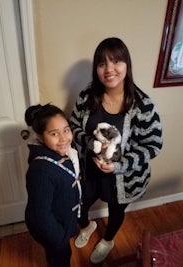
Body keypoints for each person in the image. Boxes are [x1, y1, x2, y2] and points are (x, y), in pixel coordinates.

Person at [70, 37, 163, 264]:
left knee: (116, 211)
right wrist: (90, 143)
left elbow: (153, 145)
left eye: (116, 61)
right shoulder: (87, 96)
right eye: (102, 63)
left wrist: (118, 165)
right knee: (79, 204)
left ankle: (108, 240)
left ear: (127, 65)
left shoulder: (143, 106)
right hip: (90, 171)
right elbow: (72, 126)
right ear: (96, 69)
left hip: (124, 177)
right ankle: (89, 225)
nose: (109, 69)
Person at [24, 103, 82, 267]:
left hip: (61, 220)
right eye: (54, 133)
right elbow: (40, 214)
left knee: (62, 255)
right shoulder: (41, 171)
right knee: (60, 258)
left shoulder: (66, 152)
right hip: (51, 230)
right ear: (41, 137)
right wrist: (59, 238)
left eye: (66, 130)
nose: (64, 138)